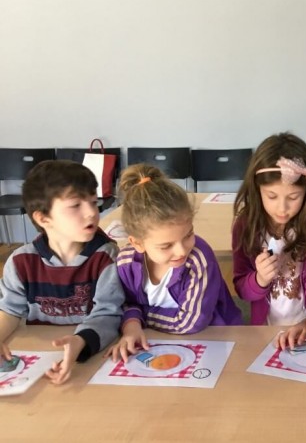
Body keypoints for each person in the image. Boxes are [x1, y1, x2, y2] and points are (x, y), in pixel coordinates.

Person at [0, 160, 124, 384]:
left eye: (93, 202)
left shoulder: (106, 257)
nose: (91, 212)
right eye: (76, 205)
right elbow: (9, 310)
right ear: (43, 218)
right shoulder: (21, 262)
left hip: (91, 355)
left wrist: (80, 341)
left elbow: (108, 314)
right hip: (41, 360)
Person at [108, 164, 241, 362]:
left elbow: (191, 322)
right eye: (166, 246)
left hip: (214, 337)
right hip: (156, 342)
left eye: (188, 235)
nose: (181, 251)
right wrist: (132, 324)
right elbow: (125, 303)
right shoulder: (126, 262)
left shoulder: (198, 259)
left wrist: (139, 317)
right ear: (137, 243)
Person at [232, 133, 306, 344]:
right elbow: (242, 289)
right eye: (271, 196)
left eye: (293, 197)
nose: (282, 208)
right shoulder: (246, 226)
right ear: (257, 190)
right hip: (264, 331)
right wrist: (260, 279)